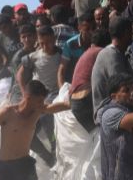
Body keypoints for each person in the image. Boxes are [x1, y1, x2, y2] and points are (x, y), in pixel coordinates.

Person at [16, 26, 61, 168]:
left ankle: (54, 146)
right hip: (36, 95)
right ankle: (46, 156)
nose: (45, 46)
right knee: (22, 128)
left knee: (46, 116)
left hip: (53, 94)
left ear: (54, 39)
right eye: (41, 43)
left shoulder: (61, 54)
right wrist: (25, 94)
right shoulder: (33, 56)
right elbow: (19, 75)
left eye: (48, 42)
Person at [91, 17, 133, 112]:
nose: (132, 35)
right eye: (131, 32)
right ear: (126, 33)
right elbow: (123, 90)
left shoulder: (119, 53)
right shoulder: (111, 55)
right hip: (107, 111)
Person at [69, 29, 110, 132]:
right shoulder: (102, 51)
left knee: (97, 134)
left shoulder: (86, 53)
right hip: (87, 99)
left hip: (75, 103)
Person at [58, 12, 95, 86]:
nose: (91, 32)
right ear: (79, 28)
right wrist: (63, 91)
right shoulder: (70, 44)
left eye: (93, 28)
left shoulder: (99, 41)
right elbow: (61, 71)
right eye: (87, 29)